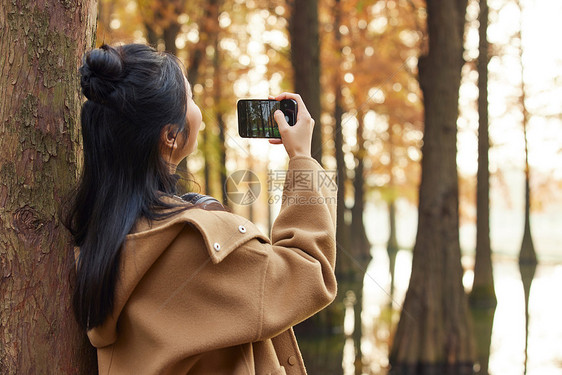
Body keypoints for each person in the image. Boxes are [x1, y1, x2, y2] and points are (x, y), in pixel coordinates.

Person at [65, 43, 337, 375]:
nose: (197, 109)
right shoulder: (195, 245)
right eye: (190, 99)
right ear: (170, 135)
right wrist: (302, 160)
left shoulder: (96, 237)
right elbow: (309, 273)